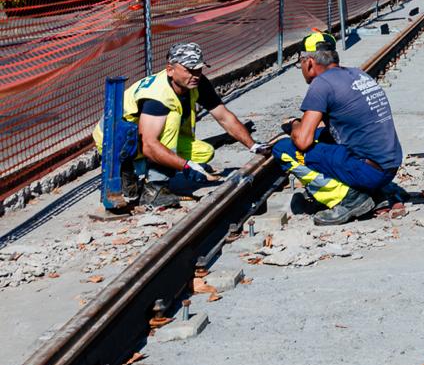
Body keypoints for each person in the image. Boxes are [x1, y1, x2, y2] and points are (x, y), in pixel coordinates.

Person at [93, 42, 267, 209]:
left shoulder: (197, 83)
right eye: (189, 70)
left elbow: (224, 117)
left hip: (138, 139)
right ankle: (154, 188)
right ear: (170, 70)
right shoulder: (158, 96)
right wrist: (185, 166)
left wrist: (253, 146)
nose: (195, 75)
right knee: (172, 117)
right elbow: (149, 145)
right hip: (116, 143)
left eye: (198, 69)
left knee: (204, 152)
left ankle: (135, 172)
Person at [272, 32, 405, 226]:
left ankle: (348, 198)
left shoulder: (321, 84)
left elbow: (302, 140)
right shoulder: (358, 74)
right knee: (320, 134)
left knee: (284, 148)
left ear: (309, 62)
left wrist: (293, 124)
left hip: (370, 173)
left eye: (300, 62)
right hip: (388, 166)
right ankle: (372, 191)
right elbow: (338, 121)